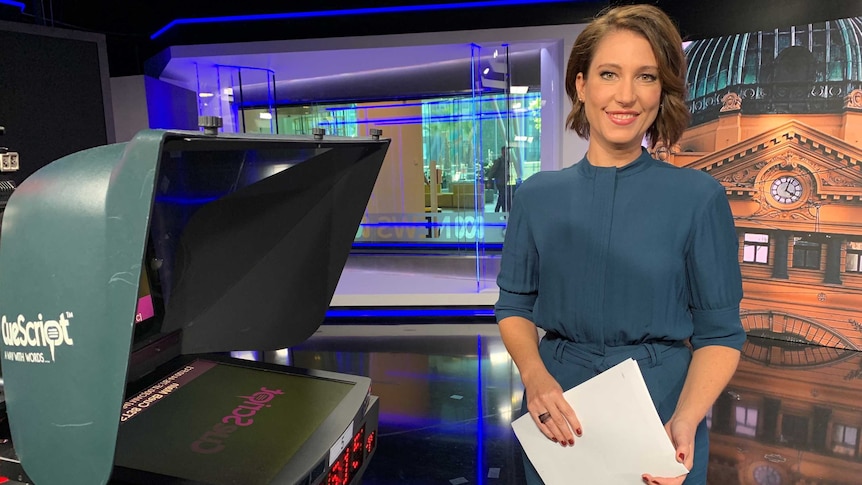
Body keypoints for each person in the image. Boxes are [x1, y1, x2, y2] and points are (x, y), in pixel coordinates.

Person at [494, 5, 745, 485]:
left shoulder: (699, 197)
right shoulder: (536, 195)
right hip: (557, 403)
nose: (626, 95)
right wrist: (534, 376)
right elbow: (514, 305)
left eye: (646, 76)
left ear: (662, 91)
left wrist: (686, 418)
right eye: (610, 74)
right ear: (582, 85)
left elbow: (721, 335)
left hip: (665, 408)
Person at [488, 146, 510, 212]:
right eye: (504, 151)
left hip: (504, 182)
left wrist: (508, 177)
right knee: (502, 197)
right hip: (500, 182)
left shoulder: (507, 161)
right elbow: (492, 171)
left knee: (502, 197)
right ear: (502, 152)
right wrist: (489, 181)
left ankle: (498, 211)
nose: (506, 152)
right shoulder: (499, 161)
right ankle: (502, 211)